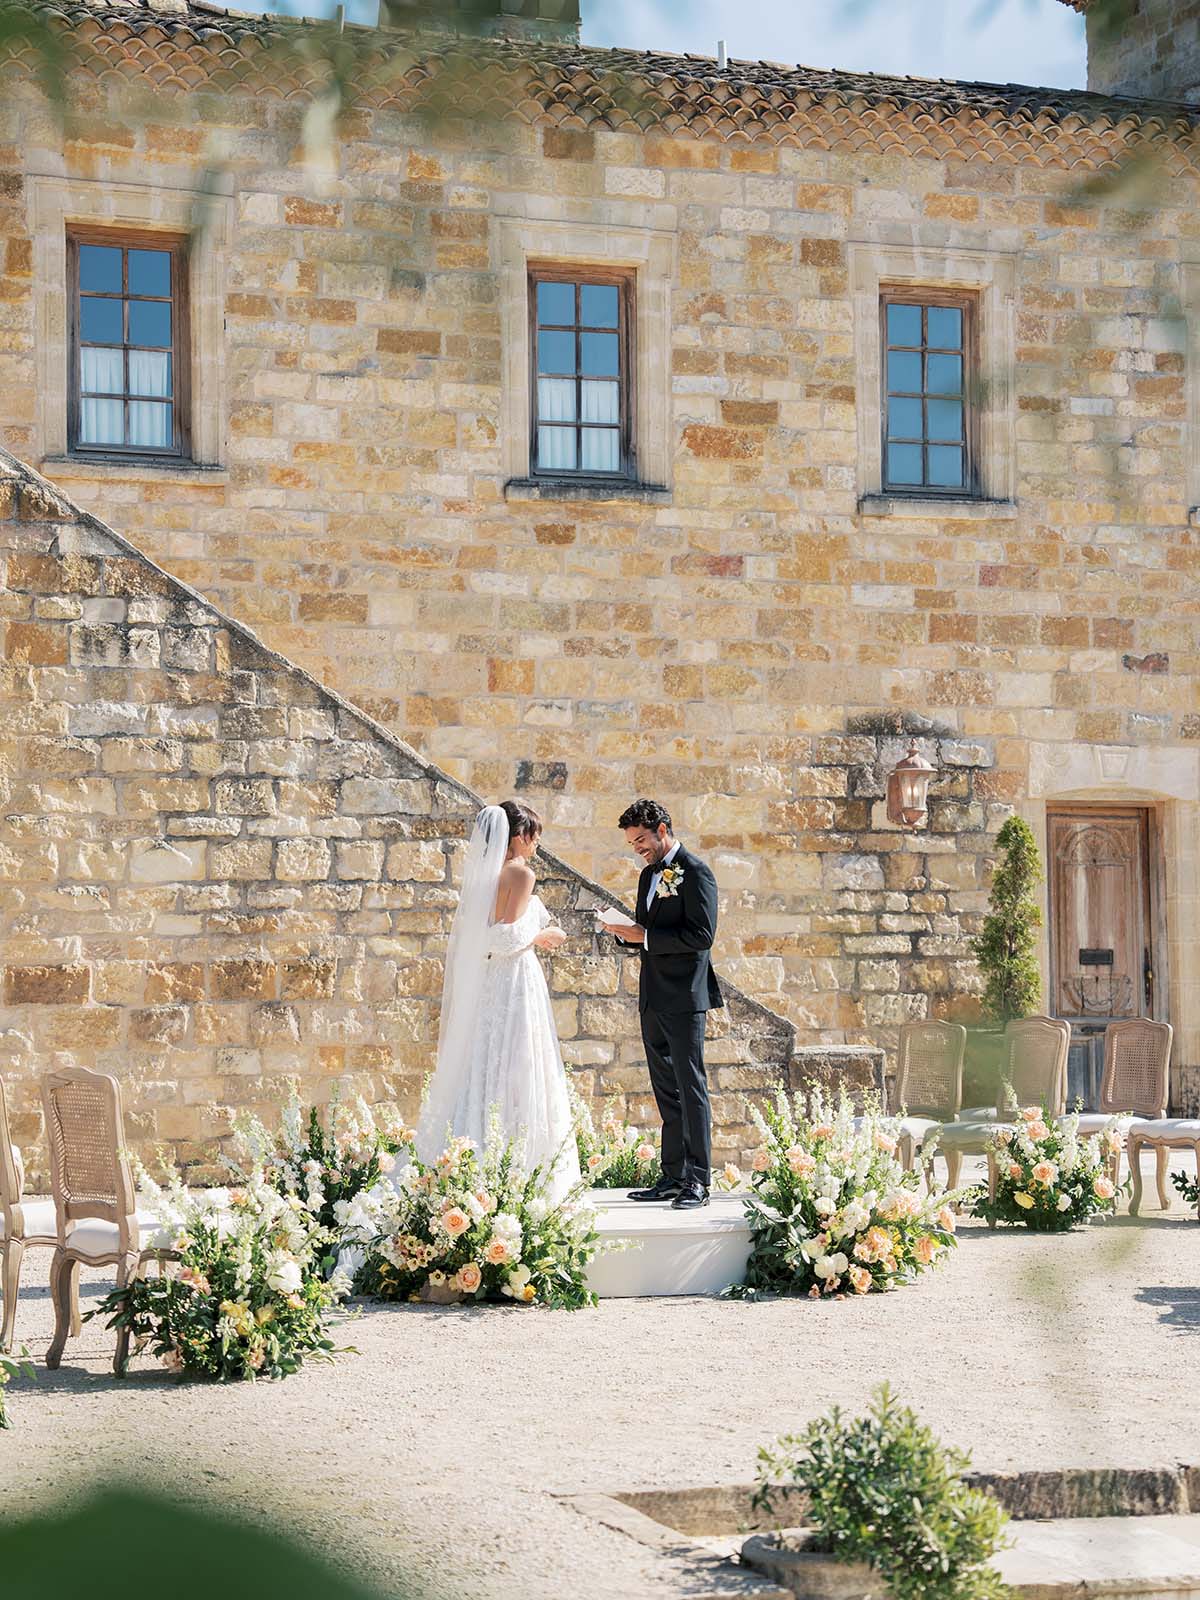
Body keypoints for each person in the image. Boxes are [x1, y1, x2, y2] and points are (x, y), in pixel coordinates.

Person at [416, 800, 580, 1199]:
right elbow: (503, 937)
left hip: (491, 980)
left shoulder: (481, 877)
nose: (537, 843)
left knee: (487, 1058)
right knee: (518, 1061)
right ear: (519, 837)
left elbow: (485, 934)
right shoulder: (521, 874)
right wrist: (542, 936)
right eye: (534, 835)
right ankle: (521, 1163)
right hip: (514, 978)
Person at [601, 799, 724, 1210]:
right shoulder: (646, 877)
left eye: (641, 840)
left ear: (663, 830)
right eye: (632, 842)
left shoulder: (697, 872)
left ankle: (699, 1181)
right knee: (666, 1091)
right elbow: (645, 931)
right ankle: (672, 1176)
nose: (637, 847)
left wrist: (646, 939)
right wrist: (623, 931)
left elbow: (702, 936)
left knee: (691, 1089)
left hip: (685, 997)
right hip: (652, 995)